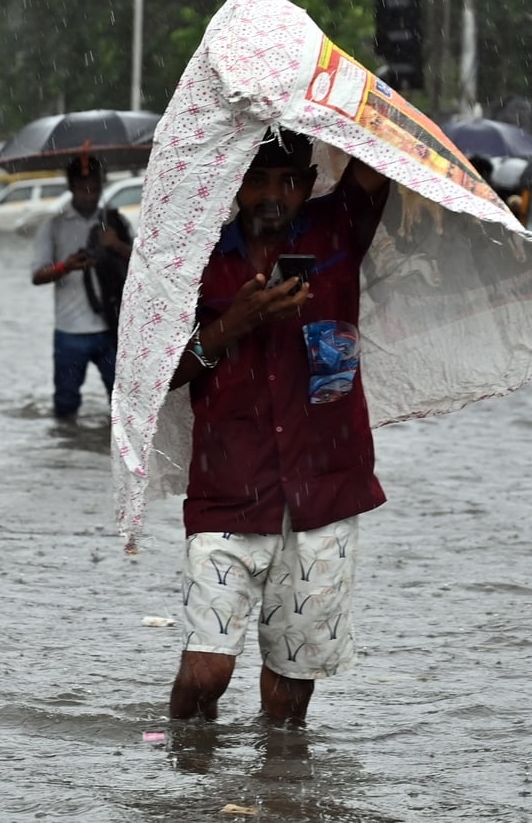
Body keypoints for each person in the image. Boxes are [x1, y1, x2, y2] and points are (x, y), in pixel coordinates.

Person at [164, 128, 390, 727]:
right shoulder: (198, 257)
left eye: (289, 181)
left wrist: (324, 95)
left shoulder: (337, 229)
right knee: (208, 671)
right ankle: (176, 762)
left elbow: (383, 148)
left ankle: (278, 793)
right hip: (229, 490)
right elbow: (161, 373)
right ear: (235, 184)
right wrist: (233, 322)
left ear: (310, 183)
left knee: (290, 695)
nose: (273, 196)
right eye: (257, 180)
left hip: (325, 490)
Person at [29, 154, 132, 421]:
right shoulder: (54, 227)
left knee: (123, 403)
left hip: (111, 329)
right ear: (71, 187)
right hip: (69, 332)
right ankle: (67, 454)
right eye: (84, 187)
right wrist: (67, 266)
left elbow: (145, 267)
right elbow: (37, 276)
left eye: (96, 187)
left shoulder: (116, 222)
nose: (90, 194)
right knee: (65, 404)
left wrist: (116, 245)